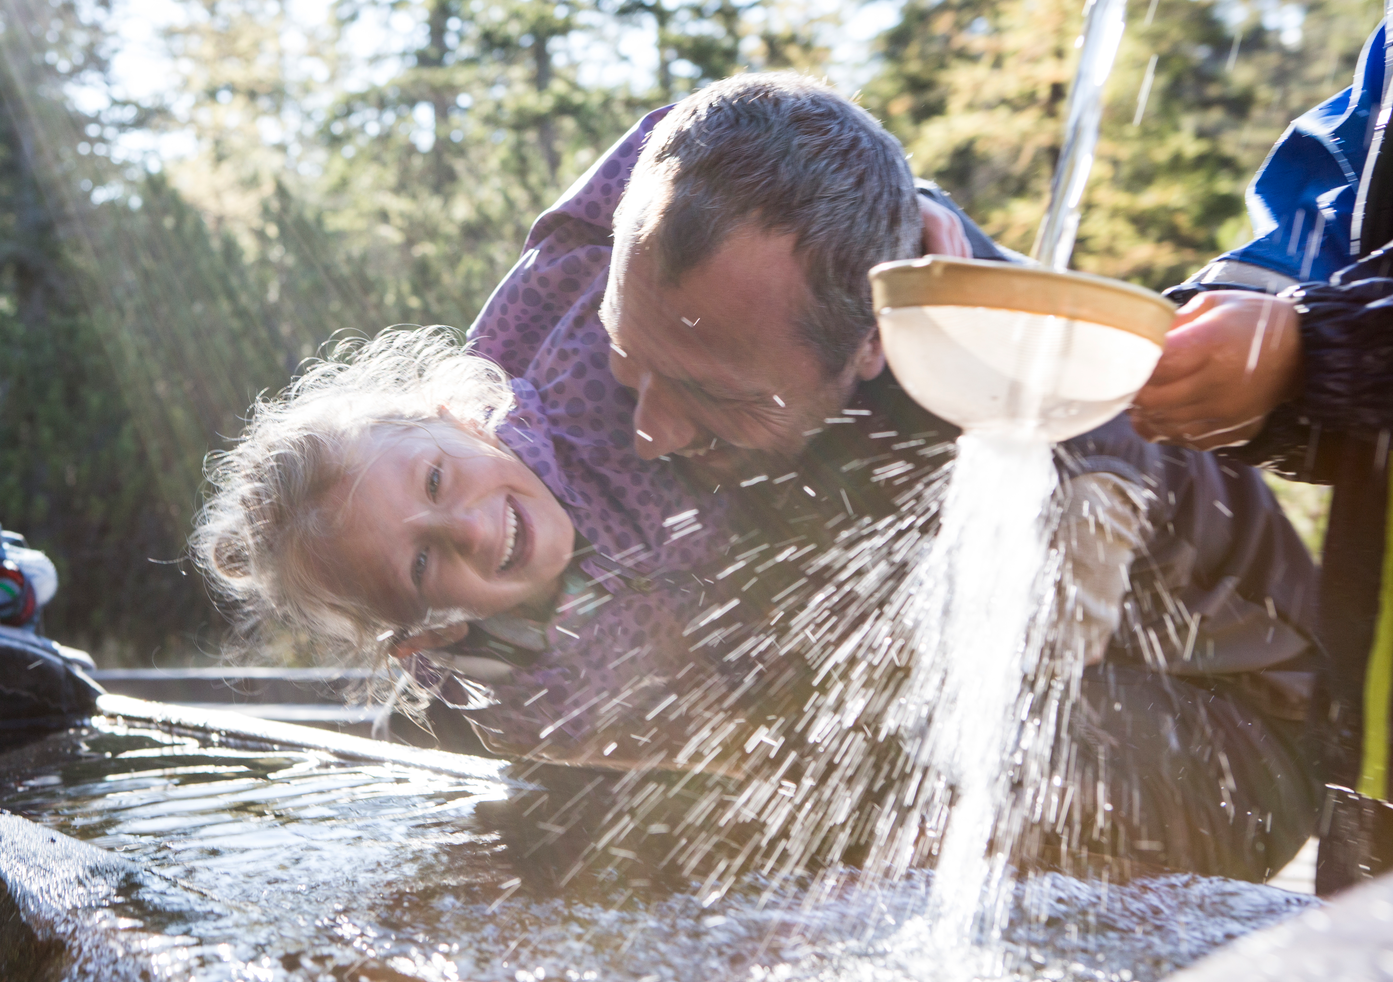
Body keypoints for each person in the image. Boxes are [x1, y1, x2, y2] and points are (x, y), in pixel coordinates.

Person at [462, 71, 1323, 882]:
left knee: (846, 823)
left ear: (878, 337)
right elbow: (680, 144)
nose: (650, 431)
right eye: (627, 355)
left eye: (713, 397)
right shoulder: (652, 285)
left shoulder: (1010, 406)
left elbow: (946, 731)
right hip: (942, 671)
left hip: (1229, 733)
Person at [1131, 0, 1393, 893]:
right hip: (1376, 730)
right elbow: (1314, 240)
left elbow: (1321, 326)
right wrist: (1189, 339)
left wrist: (1320, 346)